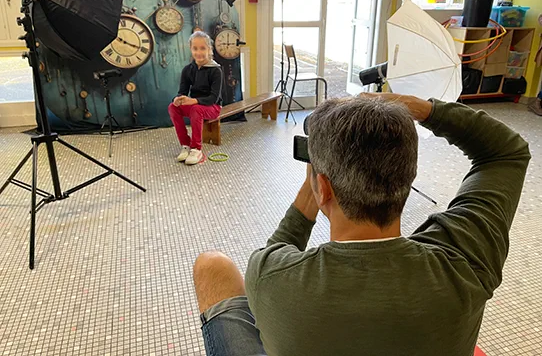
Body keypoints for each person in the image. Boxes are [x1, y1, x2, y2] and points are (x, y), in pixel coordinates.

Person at [192, 94, 530, 356]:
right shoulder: (466, 259)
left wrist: (312, 195)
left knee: (211, 266)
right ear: (408, 177)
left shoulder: (271, 275)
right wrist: (420, 108)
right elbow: (505, 152)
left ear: (323, 188)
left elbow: (277, 248)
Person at [168, 31, 222, 165]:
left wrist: (192, 101)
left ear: (209, 49)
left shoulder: (216, 71)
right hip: (195, 106)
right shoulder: (188, 70)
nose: (199, 52)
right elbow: (182, 92)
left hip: (213, 107)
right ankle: (185, 145)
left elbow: (213, 98)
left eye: (203, 48)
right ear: (191, 49)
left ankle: (196, 149)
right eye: (195, 48)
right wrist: (177, 99)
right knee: (173, 107)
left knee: (196, 110)